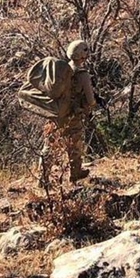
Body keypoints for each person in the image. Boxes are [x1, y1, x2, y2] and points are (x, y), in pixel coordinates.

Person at [41, 40, 97, 184]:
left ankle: (42, 177)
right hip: (72, 116)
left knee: (50, 145)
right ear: (82, 55)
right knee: (75, 144)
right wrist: (90, 106)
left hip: (55, 114)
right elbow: (91, 100)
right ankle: (75, 173)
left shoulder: (60, 72)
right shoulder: (82, 74)